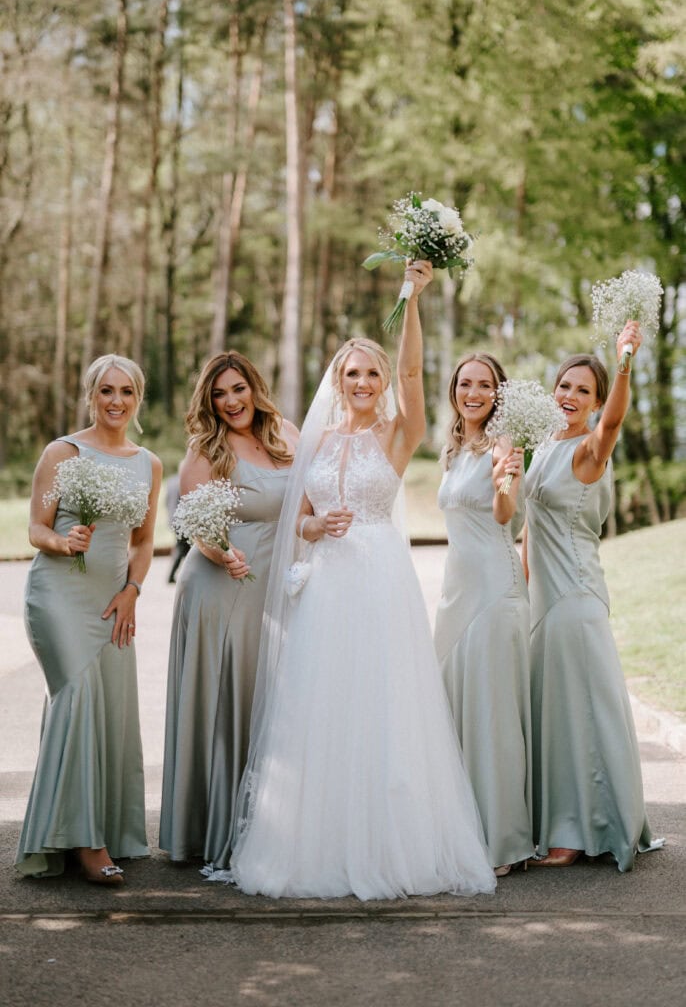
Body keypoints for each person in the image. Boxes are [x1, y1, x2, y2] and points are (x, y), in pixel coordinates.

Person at [207, 262, 496, 900]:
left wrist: (411, 300)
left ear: (383, 381)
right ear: (338, 382)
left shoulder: (398, 434)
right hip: (326, 585)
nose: (363, 381)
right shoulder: (317, 440)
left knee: (381, 705)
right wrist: (312, 530)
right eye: (352, 372)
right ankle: (316, 842)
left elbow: (417, 375)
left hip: (377, 581)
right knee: (320, 709)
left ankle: (389, 843)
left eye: (372, 372)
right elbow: (300, 520)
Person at [16, 354, 162, 884]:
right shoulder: (64, 451)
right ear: (90, 395)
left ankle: (102, 827)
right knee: (76, 699)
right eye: (106, 391)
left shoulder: (148, 462)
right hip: (59, 595)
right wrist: (63, 540)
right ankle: (87, 844)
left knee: (112, 711)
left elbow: (144, 542)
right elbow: (36, 527)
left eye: (127, 391)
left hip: (113, 600)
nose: (116, 401)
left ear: (138, 398)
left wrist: (133, 590)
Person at [524, 321, 664, 870]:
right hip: (543, 600)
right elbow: (530, 528)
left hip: (577, 598)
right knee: (556, 713)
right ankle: (562, 822)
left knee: (578, 713)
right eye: (564, 385)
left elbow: (615, 423)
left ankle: (575, 833)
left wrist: (624, 357)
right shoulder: (540, 445)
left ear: (597, 401)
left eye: (584, 390)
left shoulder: (589, 448)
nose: (570, 396)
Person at [159, 352, 298, 867]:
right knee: (223, 702)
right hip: (221, 585)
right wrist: (222, 552)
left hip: (272, 590)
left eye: (238, 388)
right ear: (208, 402)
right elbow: (193, 524)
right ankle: (209, 831)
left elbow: (310, 501)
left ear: (254, 387)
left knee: (262, 704)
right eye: (219, 394)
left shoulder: (286, 434)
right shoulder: (205, 450)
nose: (231, 401)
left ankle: (261, 824)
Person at [434, 353, 534, 877]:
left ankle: (503, 841)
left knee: (491, 715)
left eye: (485, 385)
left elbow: (505, 516)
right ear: (454, 389)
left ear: (499, 393)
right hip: (455, 592)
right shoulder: (450, 450)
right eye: (465, 383)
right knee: (453, 712)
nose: (473, 392)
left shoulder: (505, 445)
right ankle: (463, 829)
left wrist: (504, 480)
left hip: (495, 591)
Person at [165, 471, 190, 583]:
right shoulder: (185, 481)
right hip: (182, 521)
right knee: (182, 548)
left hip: (172, 518)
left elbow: (166, 501)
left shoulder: (170, 481)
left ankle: (175, 575)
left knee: (182, 547)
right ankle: (171, 576)